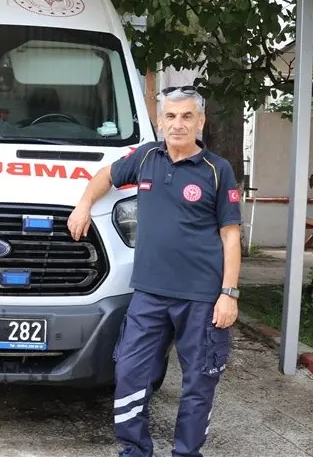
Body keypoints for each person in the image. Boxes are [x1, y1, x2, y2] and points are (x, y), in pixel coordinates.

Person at [67, 85, 241, 457]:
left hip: (202, 298)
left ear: (201, 122)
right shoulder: (146, 157)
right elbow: (105, 176)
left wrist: (229, 294)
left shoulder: (217, 170)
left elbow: (231, 237)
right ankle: (134, 450)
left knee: (198, 382)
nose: (178, 124)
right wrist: (83, 205)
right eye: (171, 117)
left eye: (187, 117)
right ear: (160, 122)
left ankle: (186, 452)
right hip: (149, 294)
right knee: (130, 372)